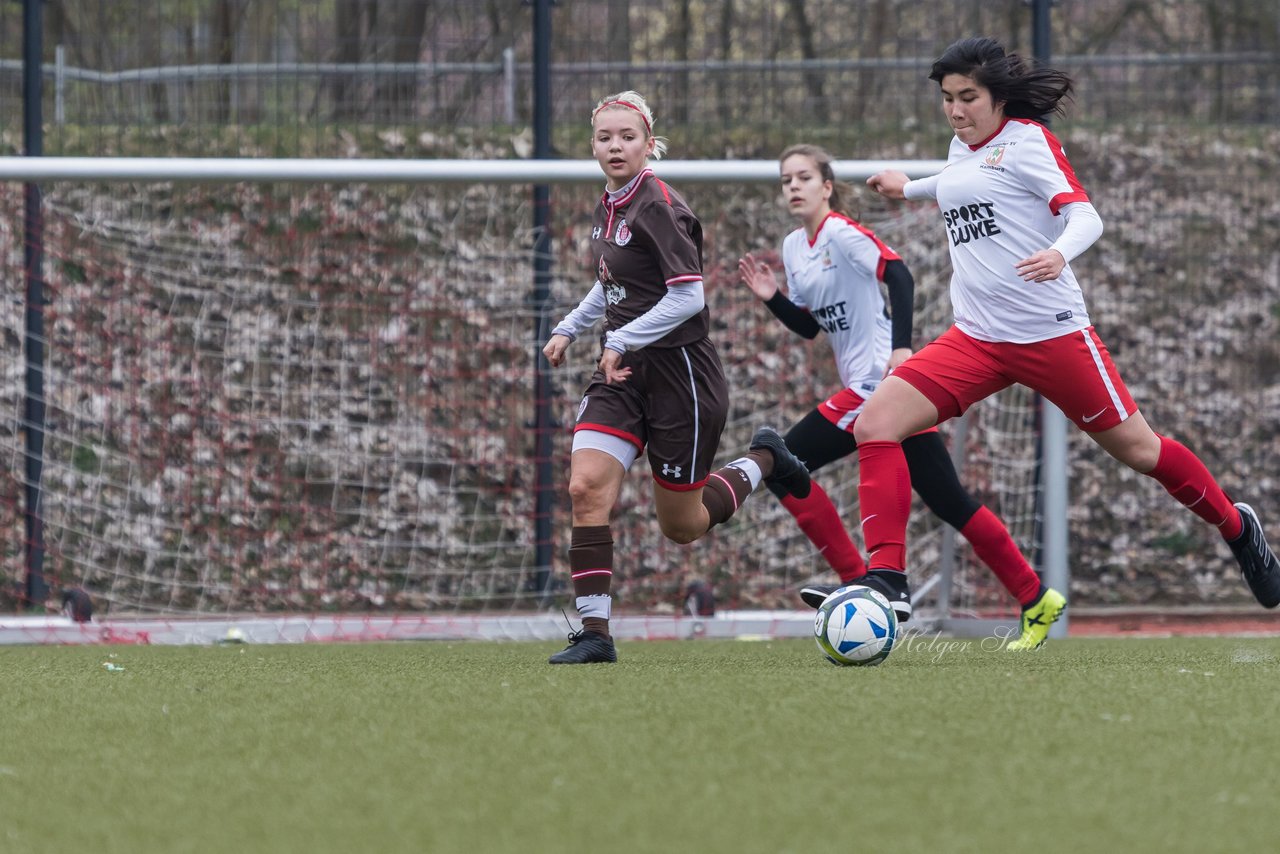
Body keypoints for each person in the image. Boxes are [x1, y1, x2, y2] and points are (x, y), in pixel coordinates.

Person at [856, 37, 1280, 617]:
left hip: (1052, 334)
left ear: (999, 97)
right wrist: (908, 187)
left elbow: (1086, 214)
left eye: (968, 98)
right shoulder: (961, 147)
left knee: (1141, 451)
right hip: (977, 339)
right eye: (948, 98)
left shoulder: (1029, 142)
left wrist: (1059, 254)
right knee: (876, 423)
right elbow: (960, 181)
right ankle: (886, 580)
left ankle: (1237, 527)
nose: (956, 111)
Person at [738, 143, 1065, 650]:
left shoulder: (842, 234)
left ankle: (864, 581)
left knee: (781, 464)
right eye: (786, 180)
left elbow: (899, 272)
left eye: (804, 177)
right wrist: (772, 299)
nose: (794, 187)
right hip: (878, 393)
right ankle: (1034, 595)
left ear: (827, 186)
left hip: (879, 385)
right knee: (949, 501)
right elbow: (808, 327)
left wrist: (902, 348)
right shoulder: (791, 248)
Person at [541, 90, 811, 665]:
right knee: (585, 489)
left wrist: (621, 338)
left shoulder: (659, 204)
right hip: (623, 372)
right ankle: (595, 635)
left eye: (627, 136)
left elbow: (688, 297)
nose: (616, 146)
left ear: (648, 142)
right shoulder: (610, 201)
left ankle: (765, 459)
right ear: (593, 144)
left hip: (682, 377)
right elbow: (610, 279)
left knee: (683, 527)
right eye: (605, 137)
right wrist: (571, 326)